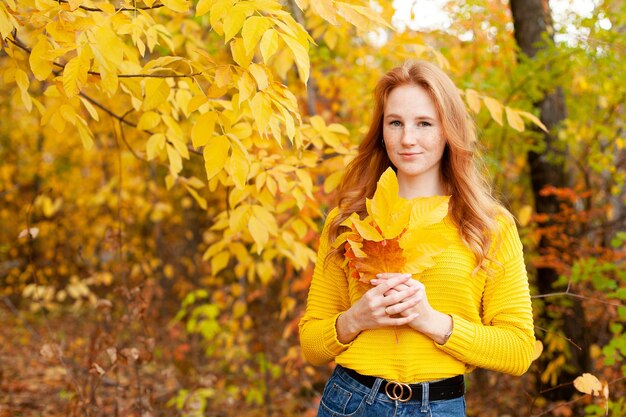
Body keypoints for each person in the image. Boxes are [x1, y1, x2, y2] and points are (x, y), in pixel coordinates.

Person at [298, 60, 535, 417]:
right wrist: (355, 320)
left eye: (424, 123)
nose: (407, 138)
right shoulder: (350, 220)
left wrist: (432, 321)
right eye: (395, 123)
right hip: (350, 401)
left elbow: (518, 350)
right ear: (382, 131)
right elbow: (311, 344)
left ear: (448, 130)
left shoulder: (487, 225)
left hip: (439, 407)